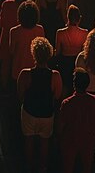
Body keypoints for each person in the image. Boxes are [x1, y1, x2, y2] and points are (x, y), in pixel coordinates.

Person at [17, 37, 62, 173]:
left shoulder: (25, 74)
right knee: (45, 142)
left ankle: (29, 166)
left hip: (30, 111)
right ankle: (43, 167)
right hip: (47, 113)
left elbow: (20, 95)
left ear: (34, 54)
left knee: (29, 141)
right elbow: (57, 95)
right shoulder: (55, 75)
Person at [57, 69, 95, 173]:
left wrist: (57, 137)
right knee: (87, 166)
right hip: (88, 138)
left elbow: (61, 124)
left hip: (70, 138)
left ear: (74, 84)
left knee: (68, 166)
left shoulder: (67, 103)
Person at [55, 5, 88, 97]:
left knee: (65, 88)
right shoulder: (84, 33)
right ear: (79, 18)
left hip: (64, 62)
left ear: (67, 17)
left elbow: (57, 52)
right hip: (77, 62)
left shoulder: (60, 33)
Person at [9, 0, 45, 81]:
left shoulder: (14, 31)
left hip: (18, 68)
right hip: (35, 68)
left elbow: (11, 51)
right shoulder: (40, 29)